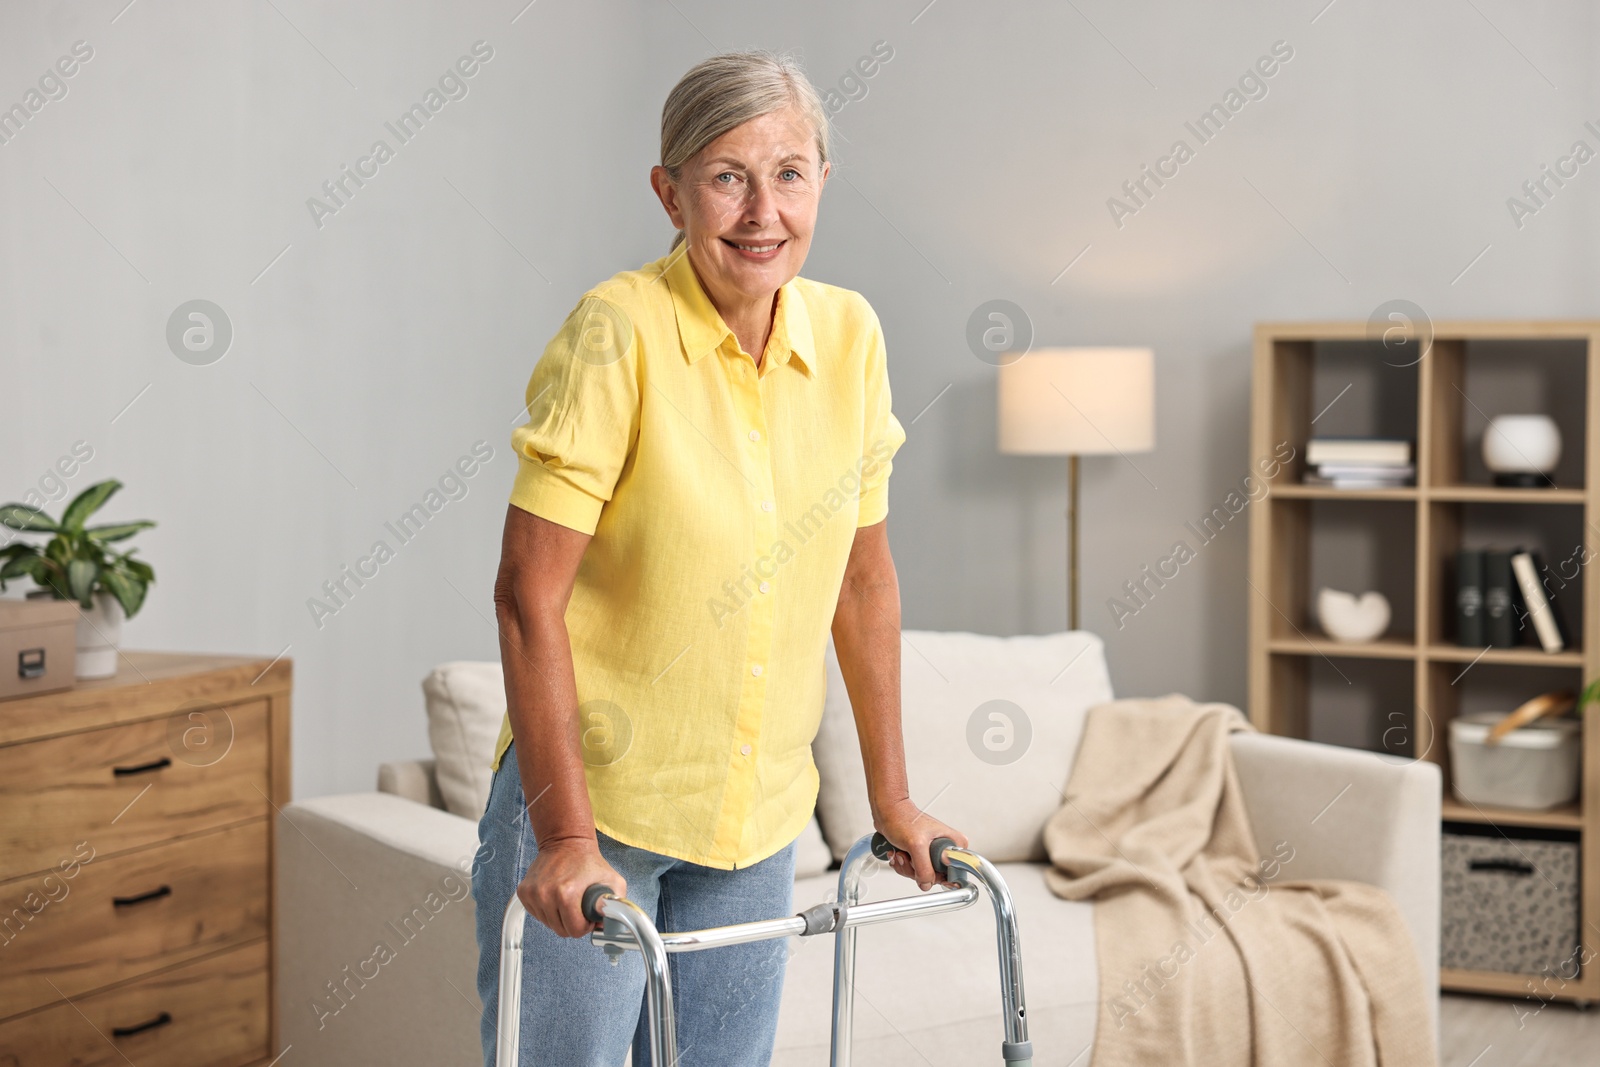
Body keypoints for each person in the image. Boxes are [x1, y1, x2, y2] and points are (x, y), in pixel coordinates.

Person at [471, 48, 967, 1067]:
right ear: (670, 192)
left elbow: (862, 581)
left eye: (788, 173)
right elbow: (529, 595)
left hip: (753, 826)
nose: (760, 212)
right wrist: (566, 836)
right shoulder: (620, 329)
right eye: (725, 176)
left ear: (821, 180)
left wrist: (892, 799)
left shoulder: (850, 335)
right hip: (599, 809)